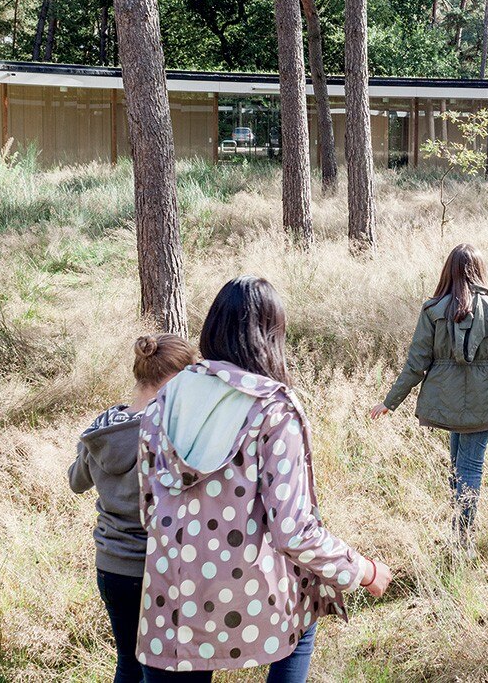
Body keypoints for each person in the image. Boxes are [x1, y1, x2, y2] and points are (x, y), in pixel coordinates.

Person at [136, 276, 392, 682]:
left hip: (175, 589)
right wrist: (363, 570)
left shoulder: (167, 396)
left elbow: (148, 507)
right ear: (270, 336)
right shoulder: (273, 408)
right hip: (250, 591)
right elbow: (293, 531)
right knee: (305, 617)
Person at [370, 244, 488, 550]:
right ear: (479, 272)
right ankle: (463, 541)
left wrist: (390, 402)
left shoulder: (433, 310)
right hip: (484, 402)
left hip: (444, 400)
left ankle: (459, 536)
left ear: (449, 271)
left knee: (458, 468)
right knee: (468, 468)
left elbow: (417, 363)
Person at [69, 334, 198, 683]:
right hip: (159, 567)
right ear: (177, 380)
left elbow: (76, 482)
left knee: (127, 662)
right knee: (165, 667)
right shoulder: (171, 432)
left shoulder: (103, 428)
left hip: (111, 566)